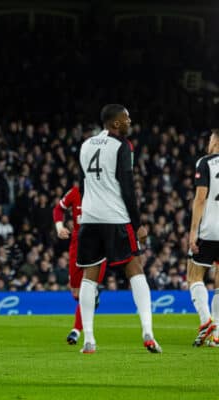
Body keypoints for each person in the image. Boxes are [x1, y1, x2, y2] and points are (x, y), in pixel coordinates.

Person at [76, 104, 161, 354]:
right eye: (126, 118)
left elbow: (82, 185)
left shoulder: (86, 145)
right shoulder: (122, 147)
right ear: (115, 124)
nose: (129, 121)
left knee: (89, 277)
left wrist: (87, 210)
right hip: (116, 218)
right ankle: (148, 331)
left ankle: (89, 339)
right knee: (135, 269)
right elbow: (127, 188)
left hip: (90, 218)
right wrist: (138, 224)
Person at [52, 185, 106, 345]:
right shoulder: (75, 192)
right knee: (77, 294)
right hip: (78, 242)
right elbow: (58, 209)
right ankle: (93, 297)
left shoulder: (103, 190)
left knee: (87, 290)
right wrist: (59, 227)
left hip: (99, 244)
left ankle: (77, 331)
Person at [187, 129, 219, 347]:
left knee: (194, 275)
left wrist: (192, 231)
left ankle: (206, 320)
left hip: (209, 230)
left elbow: (200, 198)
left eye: (210, 139)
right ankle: (217, 333)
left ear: (215, 141)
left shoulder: (206, 162)